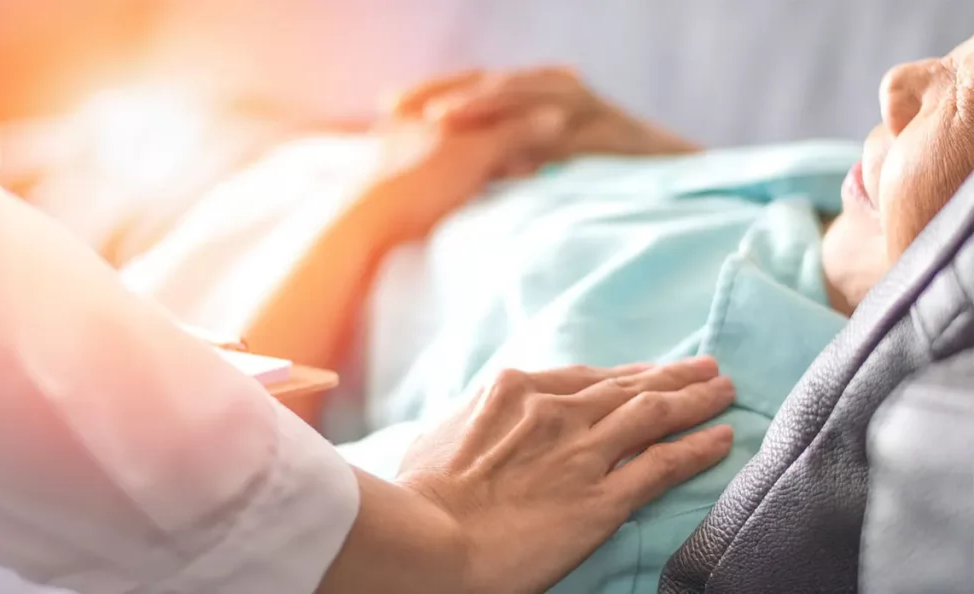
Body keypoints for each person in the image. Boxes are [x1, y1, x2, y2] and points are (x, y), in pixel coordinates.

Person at [0, 2, 738, 593]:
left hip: (243, 172)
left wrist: (685, 180)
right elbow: (95, 400)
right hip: (209, 193)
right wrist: (371, 205)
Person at [327, 34, 974, 593]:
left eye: (970, 101)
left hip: (292, 276)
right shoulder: (859, 203)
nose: (901, 82)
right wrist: (662, 167)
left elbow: (263, 527)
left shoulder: (622, 468)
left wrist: (377, 203)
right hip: (348, 149)